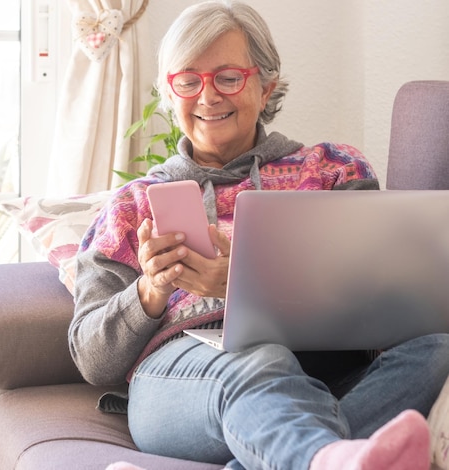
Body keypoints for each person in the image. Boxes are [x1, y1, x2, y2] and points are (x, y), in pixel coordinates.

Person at [68, 1, 449, 469]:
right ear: (171, 94)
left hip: (324, 370)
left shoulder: (333, 171)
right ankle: (326, 457)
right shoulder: (133, 205)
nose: (207, 97)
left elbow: (391, 304)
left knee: (438, 348)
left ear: (266, 86)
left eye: (228, 78)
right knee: (261, 358)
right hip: (184, 379)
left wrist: (251, 281)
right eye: (188, 81)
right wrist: (150, 291)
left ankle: (308, 453)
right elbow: (91, 357)